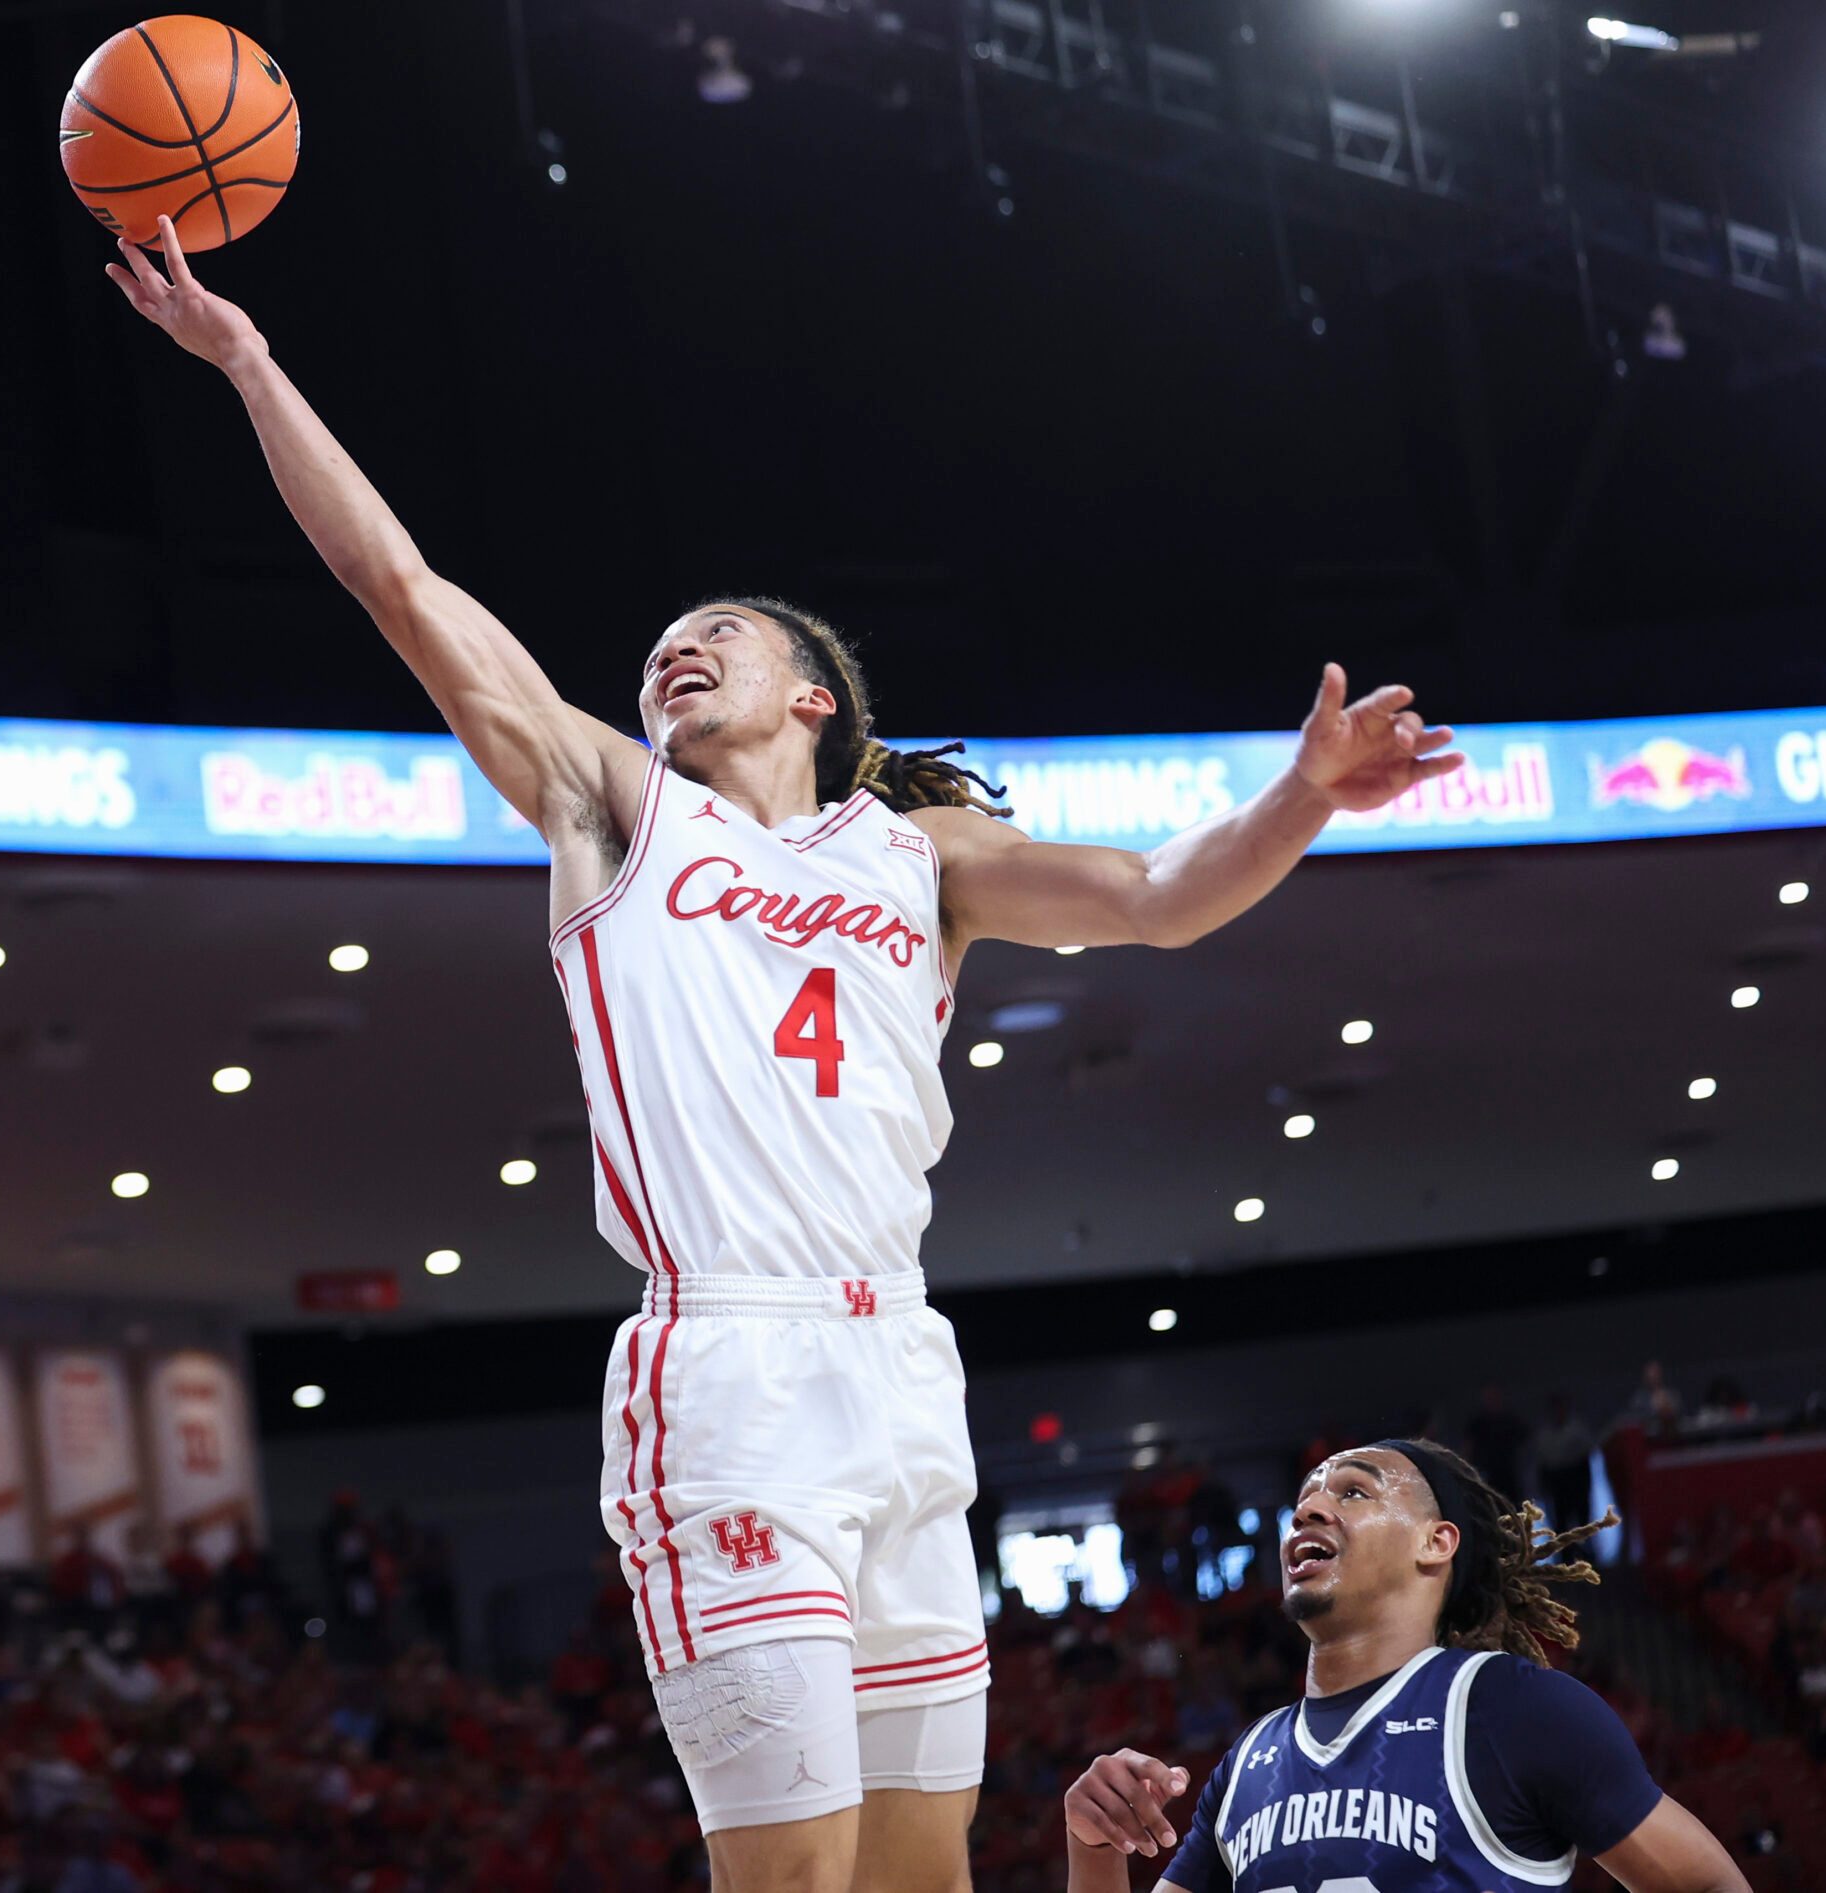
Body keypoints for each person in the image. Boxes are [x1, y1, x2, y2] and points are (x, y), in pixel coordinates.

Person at [109, 216, 1465, 1892]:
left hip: (899, 1366)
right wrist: (250, 364)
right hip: (729, 1369)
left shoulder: (928, 856)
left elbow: (1163, 900)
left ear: (815, 693)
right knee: (800, 1877)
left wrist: (1305, 798)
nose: (674, 653)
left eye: (717, 636)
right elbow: (400, 584)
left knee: (923, 1873)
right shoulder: (617, 806)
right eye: (658, 647)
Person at [1061, 1439, 1752, 1893]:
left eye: (1354, 1491)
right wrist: (1094, 1846)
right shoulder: (1249, 1761)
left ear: (1436, 1541)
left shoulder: (1511, 1709)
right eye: (1304, 1496)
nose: (1310, 1507)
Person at [1534, 1392, 1597, 1540]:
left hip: (1576, 1480)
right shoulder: (1545, 1435)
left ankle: (1586, 1558)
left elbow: (1586, 1455)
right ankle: (1565, 1559)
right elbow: (1544, 1465)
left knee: (1583, 1526)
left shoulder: (1577, 1430)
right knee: (1560, 1527)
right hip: (1557, 1485)